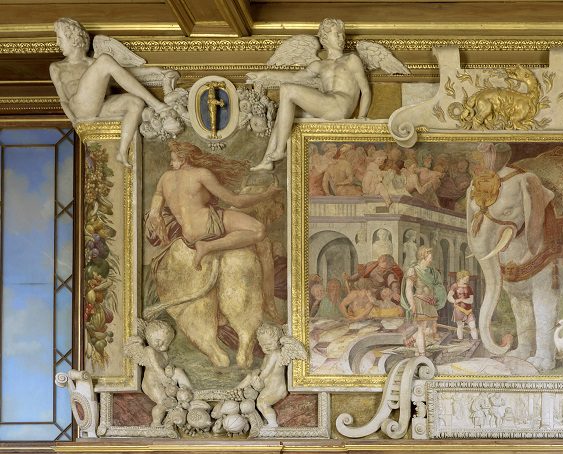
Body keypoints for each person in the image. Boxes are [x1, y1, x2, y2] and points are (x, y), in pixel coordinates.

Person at [146, 141, 283, 321]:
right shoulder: (201, 174)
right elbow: (237, 201)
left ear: (184, 159)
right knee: (259, 230)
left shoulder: (165, 178)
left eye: (173, 159)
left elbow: (158, 195)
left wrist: (155, 212)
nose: (171, 163)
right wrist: (267, 194)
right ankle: (208, 247)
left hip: (187, 235)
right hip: (209, 225)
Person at [250, 18, 370, 171]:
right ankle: (267, 160)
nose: (341, 38)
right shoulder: (320, 65)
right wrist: (263, 74)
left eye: (342, 35)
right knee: (284, 112)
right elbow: (293, 77)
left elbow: (365, 90)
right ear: (325, 39)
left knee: (287, 90)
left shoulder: (351, 59)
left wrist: (361, 119)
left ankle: (280, 150)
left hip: (340, 105)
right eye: (337, 35)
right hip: (328, 105)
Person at [50, 18, 173, 167]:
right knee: (104, 60)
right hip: (79, 108)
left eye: (60, 38)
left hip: (98, 107)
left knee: (135, 102)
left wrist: (154, 72)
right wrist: (75, 122)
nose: (57, 43)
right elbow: (63, 100)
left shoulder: (93, 64)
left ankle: (122, 151)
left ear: (74, 40)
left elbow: (125, 75)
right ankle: (157, 105)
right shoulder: (57, 67)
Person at [402, 246, 447, 354]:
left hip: (430, 303)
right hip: (420, 301)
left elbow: (438, 286)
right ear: (424, 256)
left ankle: (411, 340)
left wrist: (437, 298)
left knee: (430, 330)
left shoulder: (432, 272)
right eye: (430, 256)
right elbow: (408, 288)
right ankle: (422, 353)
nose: (431, 259)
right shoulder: (413, 270)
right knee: (422, 328)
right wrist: (412, 304)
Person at [447, 270, 479, 341]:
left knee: (473, 326)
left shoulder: (469, 287)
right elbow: (449, 297)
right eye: (466, 278)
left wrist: (462, 300)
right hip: (458, 309)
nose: (467, 280)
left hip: (468, 310)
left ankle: (475, 341)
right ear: (461, 277)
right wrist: (454, 301)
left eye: (468, 278)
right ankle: (460, 340)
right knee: (460, 326)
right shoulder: (455, 286)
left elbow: (471, 300)